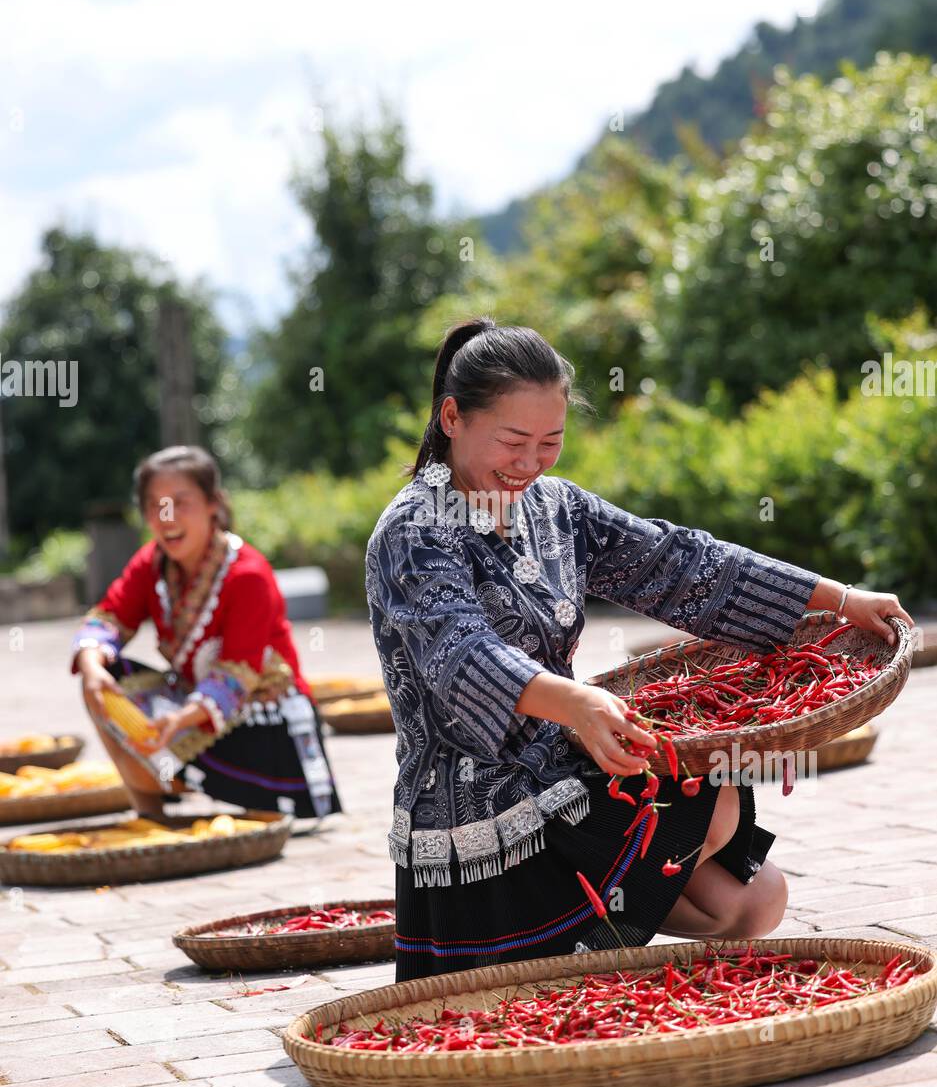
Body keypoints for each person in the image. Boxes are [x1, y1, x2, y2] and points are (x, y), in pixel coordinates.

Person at [365, 317, 914, 982]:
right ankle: (569, 948)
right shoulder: (413, 530)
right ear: (452, 417)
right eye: (512, 441)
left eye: (549, 442)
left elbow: (680, 562)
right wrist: (575, 702)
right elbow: (462, 654)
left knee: (753, 901)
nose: (529, 463)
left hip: (564, 751)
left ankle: (596, 938)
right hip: (481, 792)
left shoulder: (555, 507)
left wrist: (837, 599)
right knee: (709, 798)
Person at [72, 445, 342, 825]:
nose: (166, 518)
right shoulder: (150, 564)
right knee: (102, 683)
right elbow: (108, 620)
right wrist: (91, 666)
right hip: (193, 703)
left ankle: (243, 791)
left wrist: (179, 719)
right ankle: (150, 808)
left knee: (261, 817)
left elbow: (235, 677)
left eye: (180, 502)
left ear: (213, 504)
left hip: (260, 711)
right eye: (155, 505)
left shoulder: (248, 574)